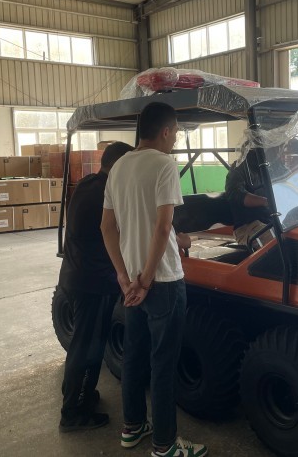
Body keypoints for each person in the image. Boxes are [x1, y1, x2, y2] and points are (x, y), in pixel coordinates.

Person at [100, 102, 207, 457]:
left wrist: (124, 275)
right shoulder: (164, 164)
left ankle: (132, 428)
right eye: (175, 133)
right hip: (162, 281)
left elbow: (107, 227)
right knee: (163, 365)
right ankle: (165, 445)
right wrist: (147, 278)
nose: (175, 139)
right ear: (165, 131)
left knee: (134, 357)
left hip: (131, 282)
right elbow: (163, 227)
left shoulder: (119, 166)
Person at [58, 141, 134, 432]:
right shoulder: (106, 194)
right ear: (119, 166)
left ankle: (80, 394)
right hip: (93, 283)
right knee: (88, 349)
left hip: (76, 276)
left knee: (83, 344)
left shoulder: (89, 183)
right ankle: (74, 413)